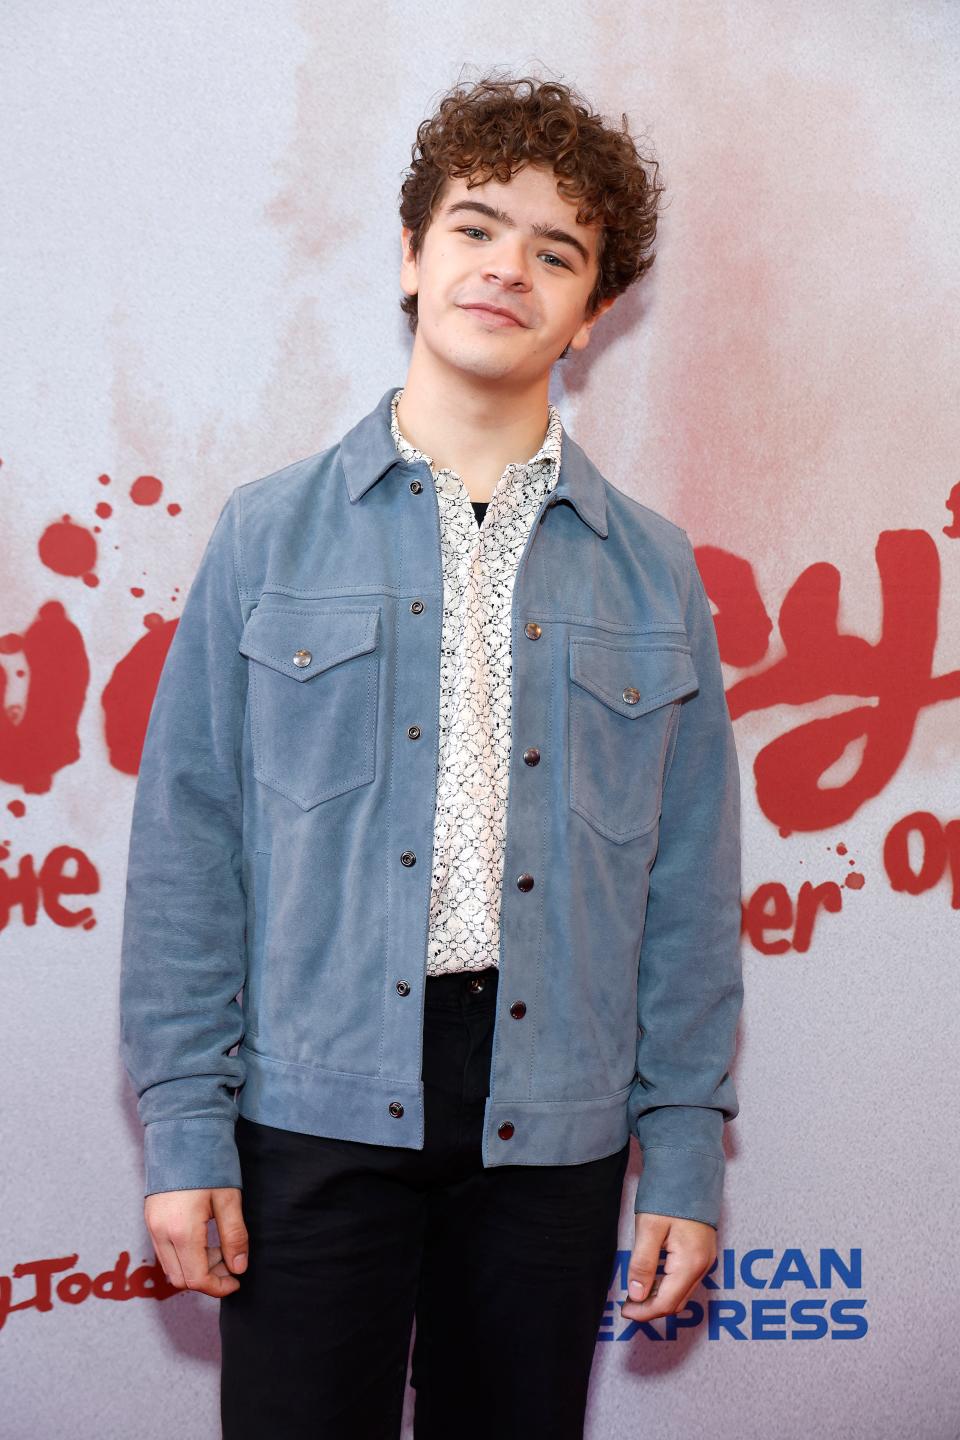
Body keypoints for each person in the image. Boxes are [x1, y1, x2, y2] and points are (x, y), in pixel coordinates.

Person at [119, 70, 744, 1440]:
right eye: (476, 226)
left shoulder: (656, 576)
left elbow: (691, 890)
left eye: (558, 250)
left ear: (595, 313)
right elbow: (189, 847)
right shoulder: (266, 535)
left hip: (554, 1122)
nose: (508, 267)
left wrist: (686, 1148)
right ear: (412, 256)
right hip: (311, 1104)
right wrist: (183, 1130)